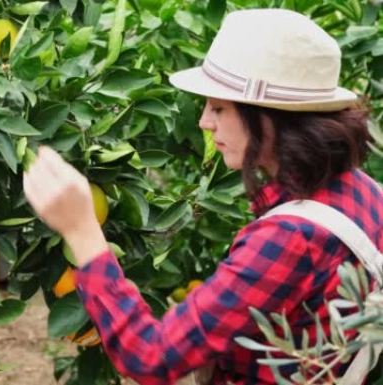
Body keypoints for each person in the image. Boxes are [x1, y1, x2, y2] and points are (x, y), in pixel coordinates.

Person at [23, 8, 381, 385]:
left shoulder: (291, 238)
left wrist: (82, 231)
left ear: (269, 117)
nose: (204, 122)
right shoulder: (365, 193)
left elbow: (150, 357)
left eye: (220, 108)